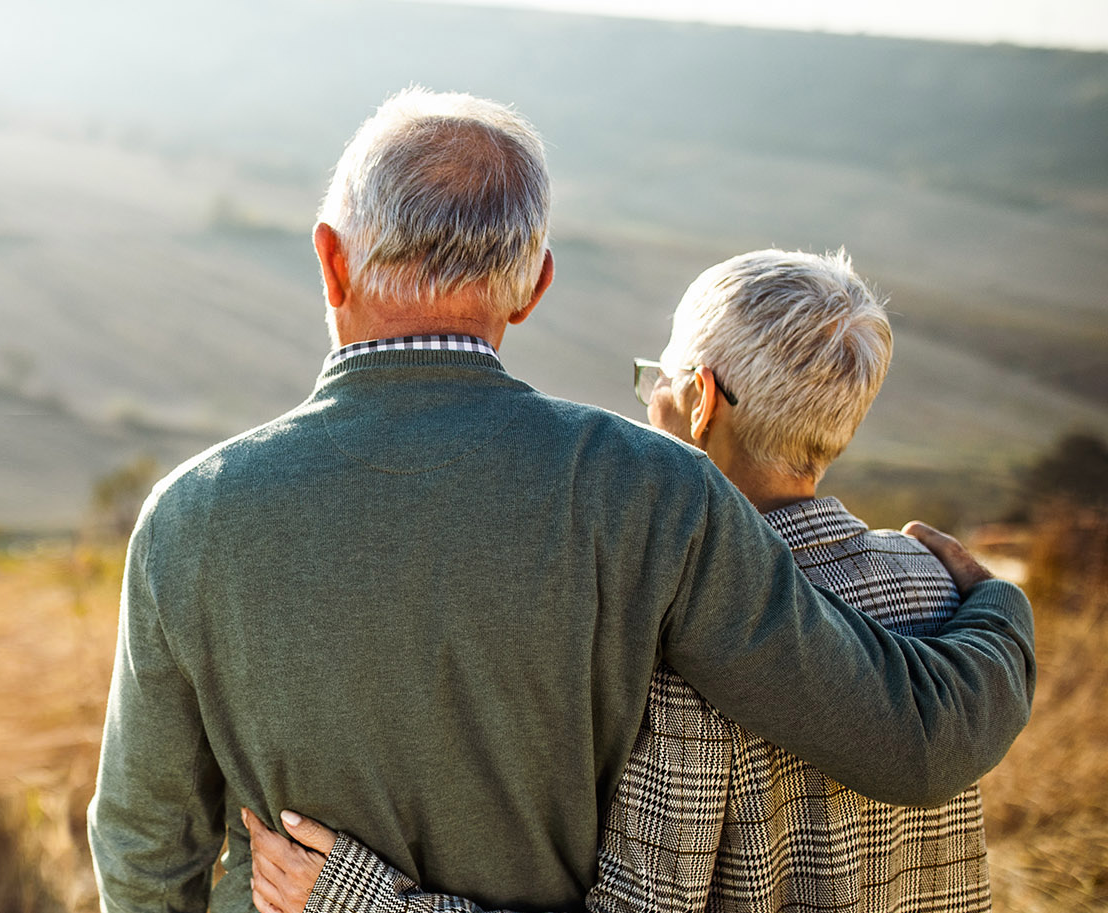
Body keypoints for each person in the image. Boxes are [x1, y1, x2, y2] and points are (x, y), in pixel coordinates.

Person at [85, 89, 1034, 913]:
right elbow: (903, 737)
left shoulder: (188, 516)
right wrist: (995, 608)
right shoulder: (654, 490)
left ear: (331, 262)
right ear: (532, 287)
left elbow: (144, 843)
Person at [245, 250, 1001, 913]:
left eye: (658, 382)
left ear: (701, 402)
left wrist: (358, 900)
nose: (647, 403)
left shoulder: (684, 633)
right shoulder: (938, 586)